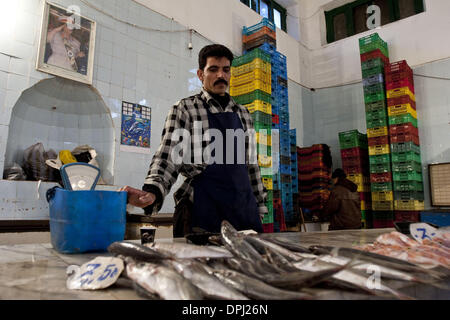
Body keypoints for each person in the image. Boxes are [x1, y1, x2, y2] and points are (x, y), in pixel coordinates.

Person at [121, 44, 267, 237]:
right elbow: (168, 156)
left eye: (226, 70)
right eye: (213, 69)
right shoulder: (186, 109)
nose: (221, 75)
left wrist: (260, 206)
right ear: (200, 74)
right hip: (202, 210)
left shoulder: (243, 114)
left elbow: (251, 166)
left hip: (243, 211)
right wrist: (153, 191)